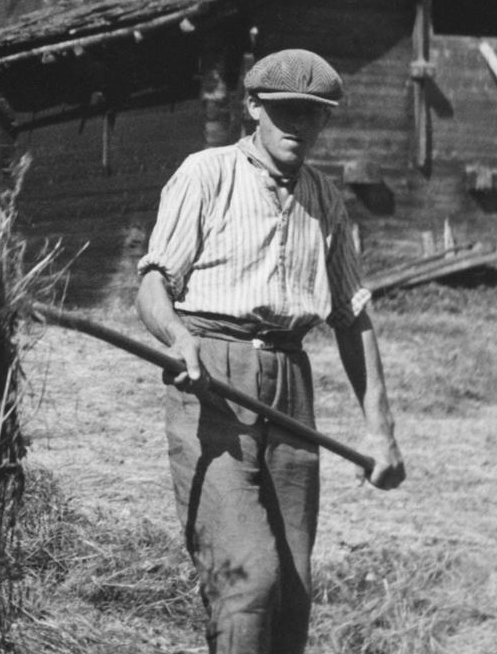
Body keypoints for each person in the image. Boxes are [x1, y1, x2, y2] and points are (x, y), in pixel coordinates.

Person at [134, 48, 406, 654]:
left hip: (290, 384)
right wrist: (180, 342)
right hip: (211, 378)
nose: (297, 125)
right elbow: (153, 284)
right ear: (253, 107)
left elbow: (352, 316)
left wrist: (381, 434)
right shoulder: (207, 174)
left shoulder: (325, 200)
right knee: (247, 577)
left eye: (312, 114)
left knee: (292, 589)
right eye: (284, 110)